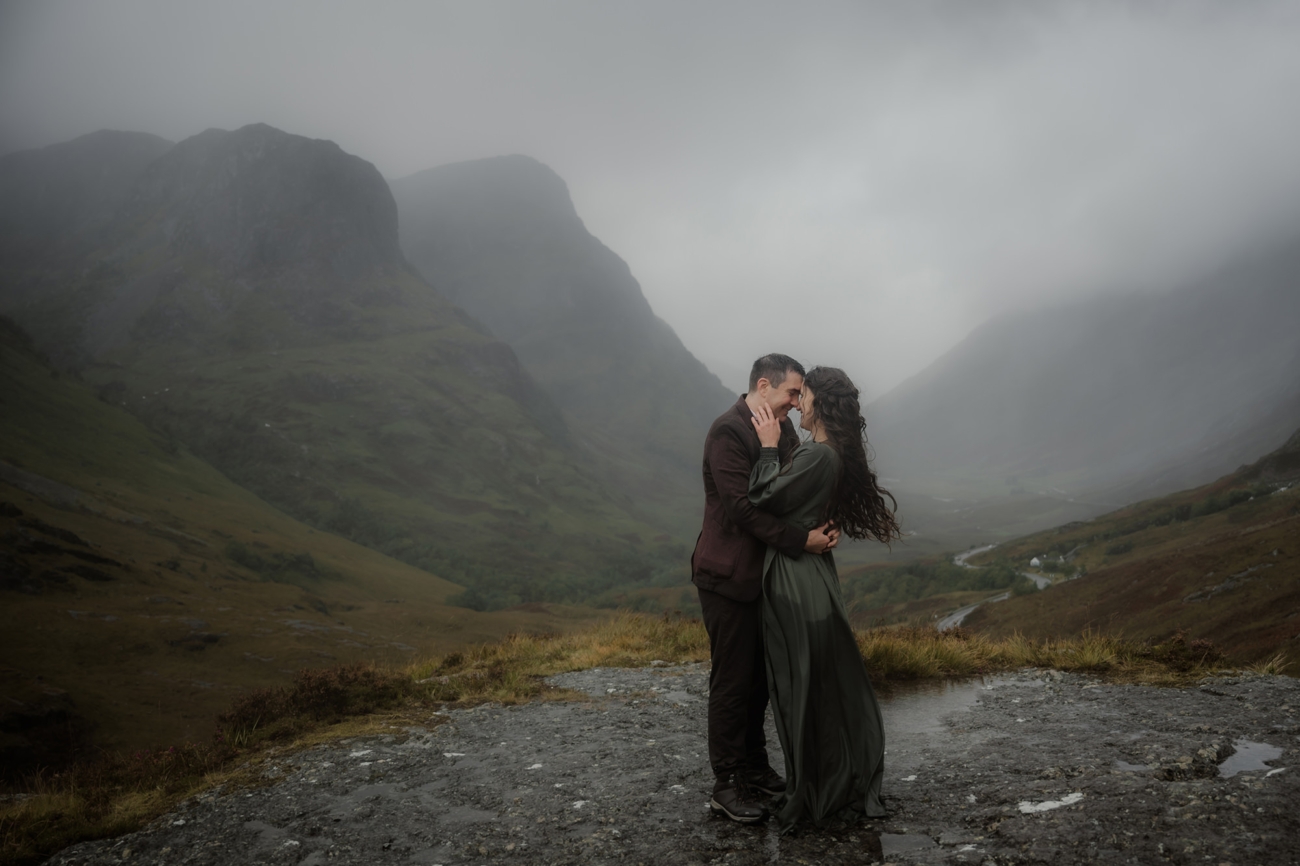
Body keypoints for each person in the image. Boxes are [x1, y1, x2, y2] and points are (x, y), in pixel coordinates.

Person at [748, 365, 902, 834]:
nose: (799, 403)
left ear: (820, 402)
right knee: (814, 680)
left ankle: (814, 787)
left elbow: (763, 495)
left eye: (804, 395)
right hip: (811, 574)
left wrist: (769, 448)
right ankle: (827, 780)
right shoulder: (827, 453)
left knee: (800, 683)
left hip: (795, 579)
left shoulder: (818, 455)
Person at [691, 354, 840, 824]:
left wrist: (820, 523)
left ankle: (755, 769)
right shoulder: (728, 432)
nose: (797, 405)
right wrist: (802, 541)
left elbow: (789, 491)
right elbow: (743, 511)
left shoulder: (782, 430)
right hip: (727, 577)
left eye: (800, 396)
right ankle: (726, 783)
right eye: (792, 394)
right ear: (763, 385)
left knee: (760, 680)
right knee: (733, 681)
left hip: (766, 578)